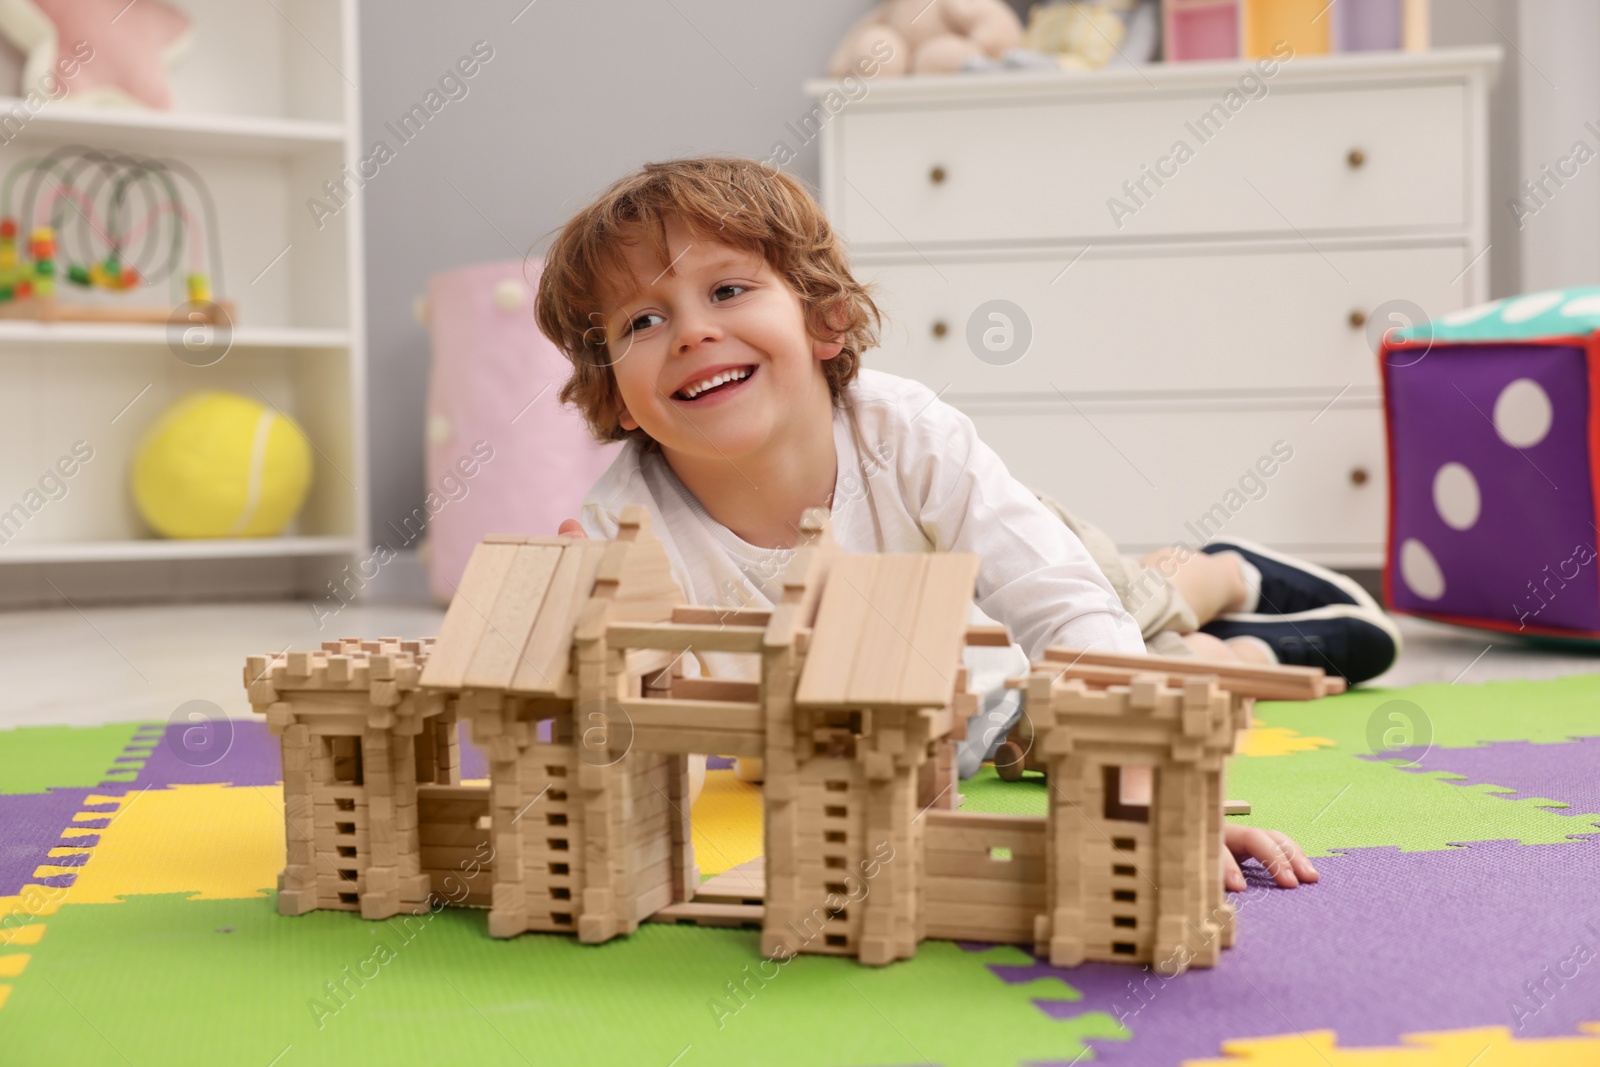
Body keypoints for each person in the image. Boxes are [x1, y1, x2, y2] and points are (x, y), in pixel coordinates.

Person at [533, 157, 1382, 890]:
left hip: (1015, 599)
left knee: (1130, 606)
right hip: (962, 709)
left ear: (825, 320)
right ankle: (1248, 651)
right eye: (642, 320)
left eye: (726, 289)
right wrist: (580, 651)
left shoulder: (902, 431)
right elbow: (634, 732)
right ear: (615, 393)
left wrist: (1163, 807)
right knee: (1130, 694)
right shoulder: (622, 527)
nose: (692, 331)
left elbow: (1059, 602)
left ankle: (1221, 573)